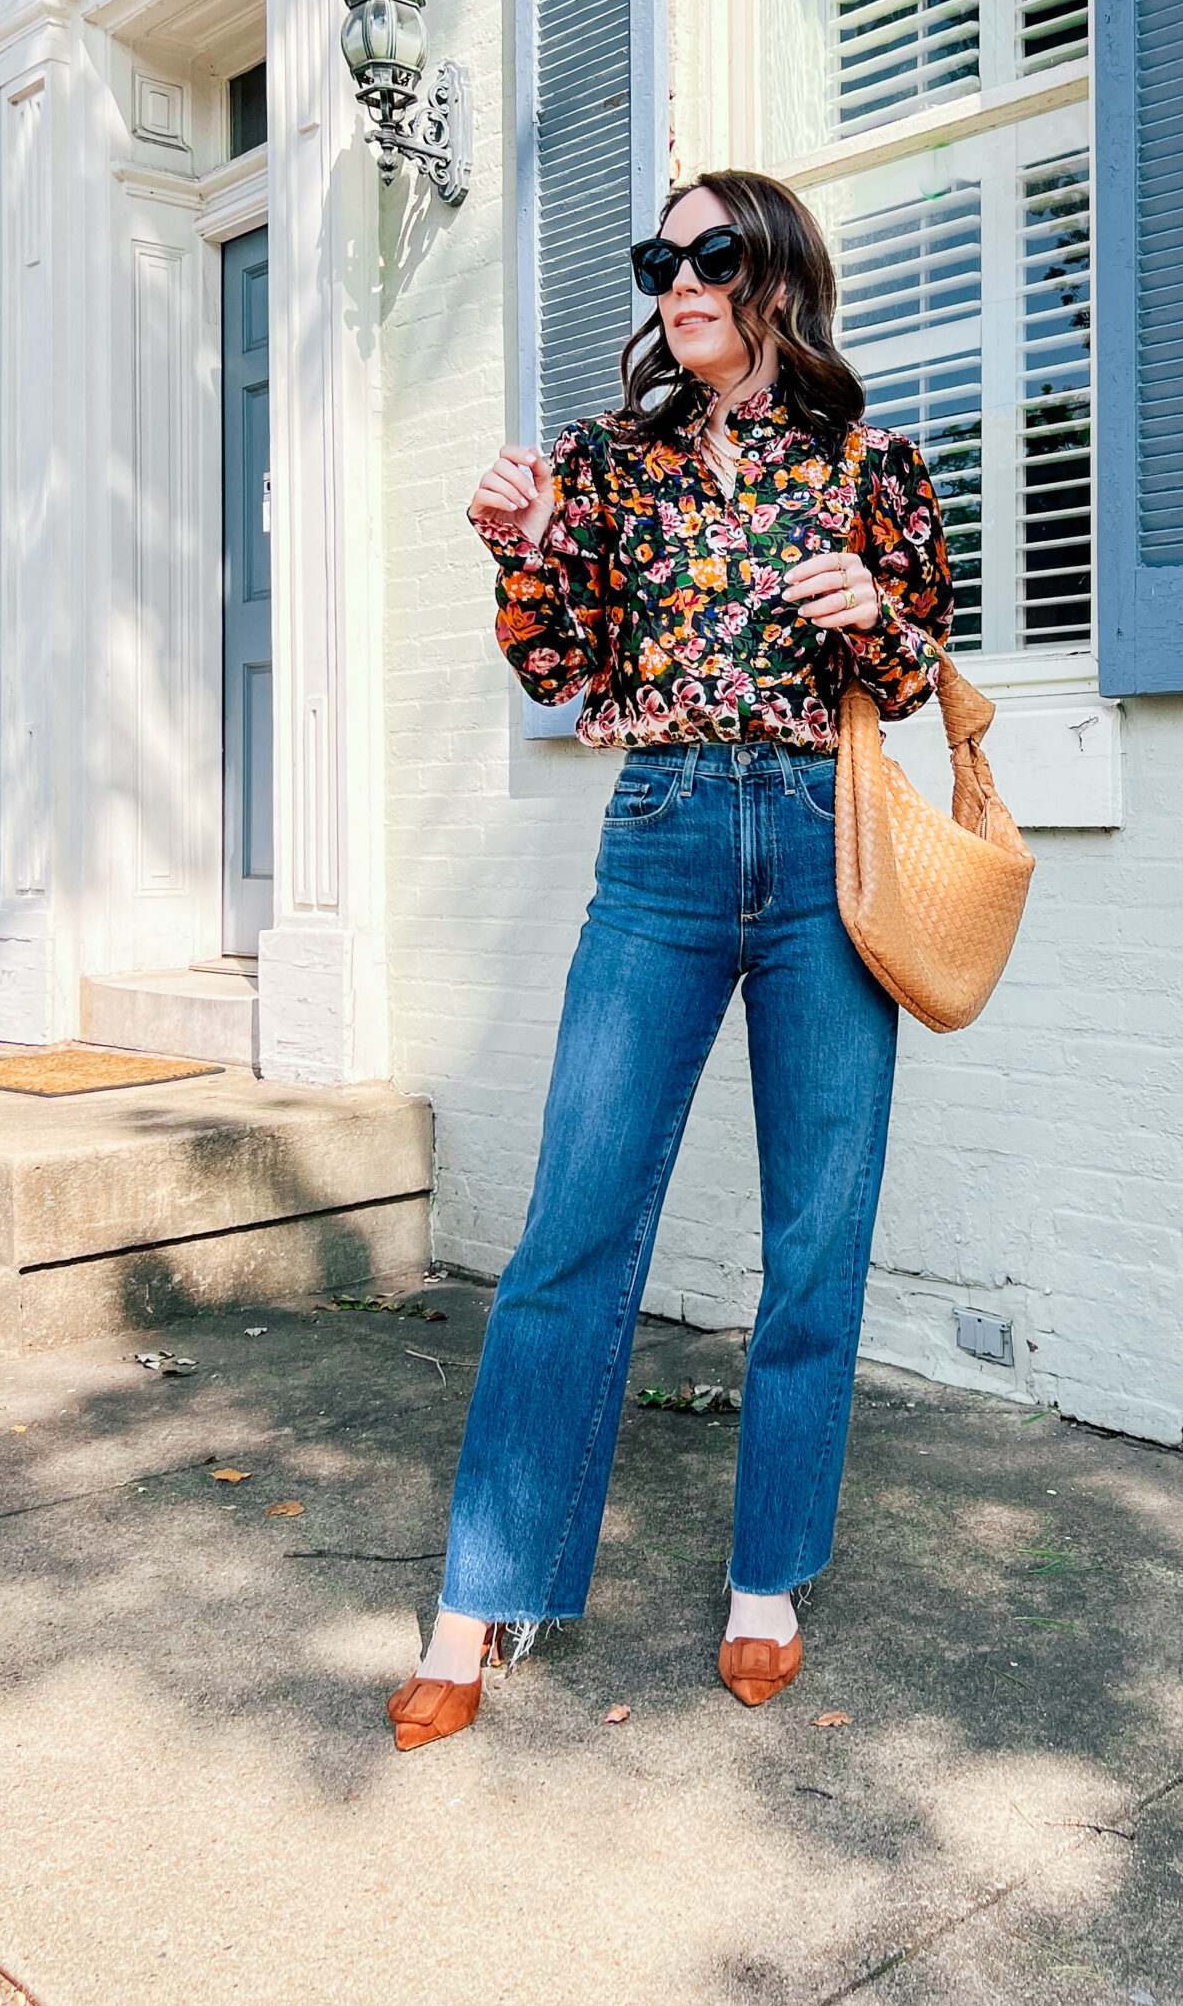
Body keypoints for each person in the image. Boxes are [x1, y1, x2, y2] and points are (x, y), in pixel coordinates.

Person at [386, 169, 953, 1750]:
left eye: (711, 253)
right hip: (666, 835)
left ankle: (768, 1572)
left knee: (818, 1226)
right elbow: (565, 666)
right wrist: (524, 543)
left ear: (777, 273)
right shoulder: (606, 467)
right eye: (661, 257)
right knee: (574, 1218)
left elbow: (918, 673)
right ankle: (481, 1595)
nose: (679, 280)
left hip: (825, 849)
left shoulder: (873, 461)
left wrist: (873, 622)